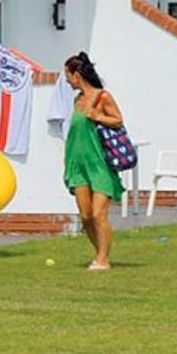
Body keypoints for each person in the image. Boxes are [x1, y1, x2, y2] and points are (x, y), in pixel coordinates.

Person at [62, 52, 124, 271]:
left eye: (67, 75)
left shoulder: (102, 97)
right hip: (77, 164)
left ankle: (103, 260)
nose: (67, 80)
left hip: (99, 164)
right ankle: (100, 253)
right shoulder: (77, 99)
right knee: (86, 216)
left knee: (99, 214)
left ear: (76, 74)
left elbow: (118, 119)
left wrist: (97, 116)